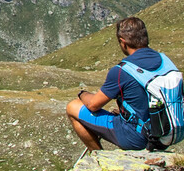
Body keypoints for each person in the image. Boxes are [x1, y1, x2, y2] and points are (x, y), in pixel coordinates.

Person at [66, 16, 170, 151]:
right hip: (167, 133)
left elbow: (93, 105)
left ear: (123, 42)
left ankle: (99, 159)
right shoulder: (165, 61)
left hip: (137, 138)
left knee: (73, 107)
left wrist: (83, 94)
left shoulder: (122, 70)